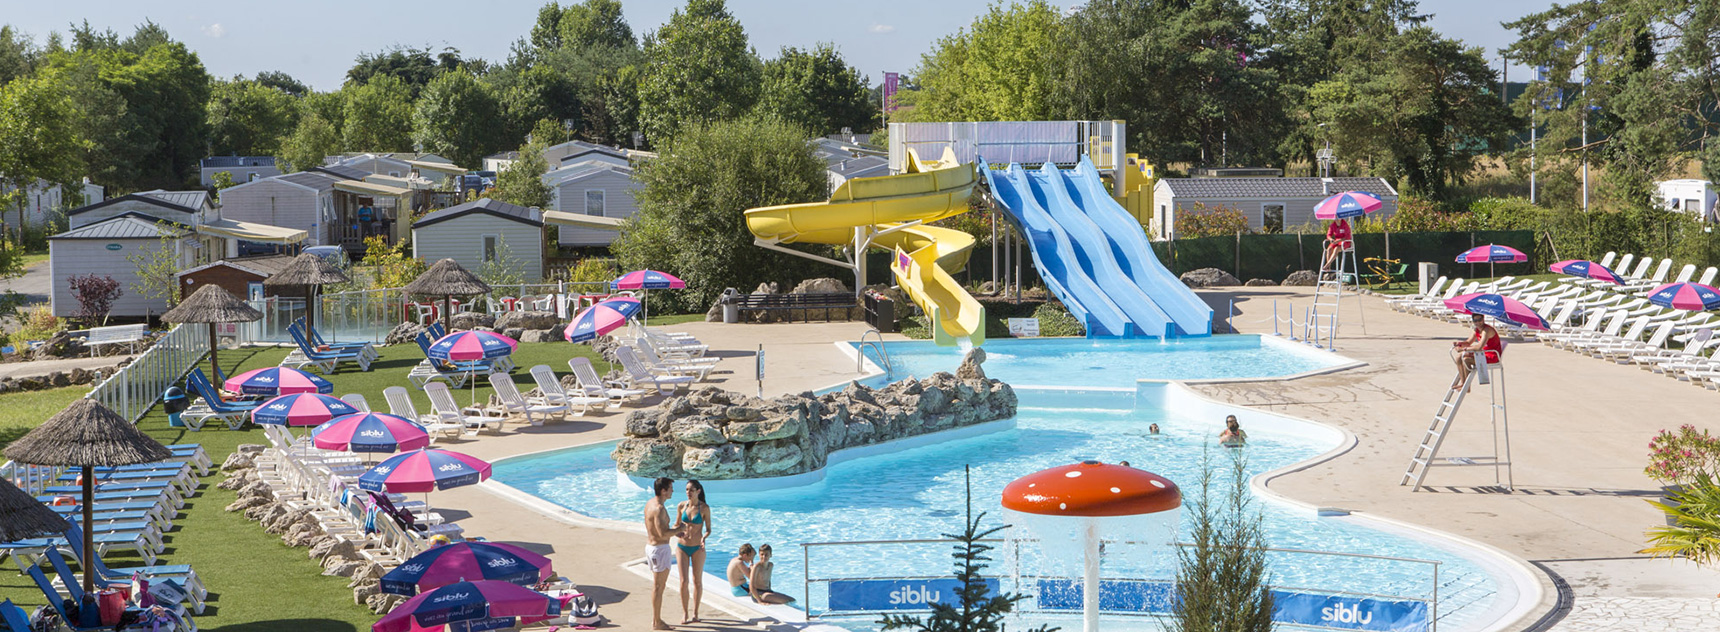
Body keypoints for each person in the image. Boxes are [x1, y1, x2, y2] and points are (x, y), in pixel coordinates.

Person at [644, 477, 682, 630]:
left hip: (652, 548)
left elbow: (658, 530)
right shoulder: (659, 508)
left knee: (657, 586)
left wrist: (675, 533)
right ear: (663, 490)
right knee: (659, 587)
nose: (672, 491)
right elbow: (662, 534)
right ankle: (657, 622)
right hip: (659, 549)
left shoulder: (649, 503)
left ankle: (656, 620)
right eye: (670, 488)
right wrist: (680, 529)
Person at [674, 480, 712, 624]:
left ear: (698, 491)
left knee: (697, 581)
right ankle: (685, 613)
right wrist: (676, 533)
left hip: (697, 548)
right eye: (686, 490)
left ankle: (695, 612)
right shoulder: (681, 506)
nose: (688, 492)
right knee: (683, 581)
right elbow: (676, 525)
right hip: (682, 547)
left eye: (691, 490)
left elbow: (709, 529)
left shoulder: (704, 508)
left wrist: (704, 537)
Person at [1452, 313, 1502, 390]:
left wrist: (1463, 349)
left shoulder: (1487, 331)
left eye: (1479, 320)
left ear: (1483, 319)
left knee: (1466, 360)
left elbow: (1479, 347)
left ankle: (1467, 387)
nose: (1478, 322)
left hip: (1492, 356)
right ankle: (1463, 383)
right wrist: (1460, 344)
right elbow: (1468, 342)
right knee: (1458, 357)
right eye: (1475, 320)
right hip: (1482, 354)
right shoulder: (1477, 330)